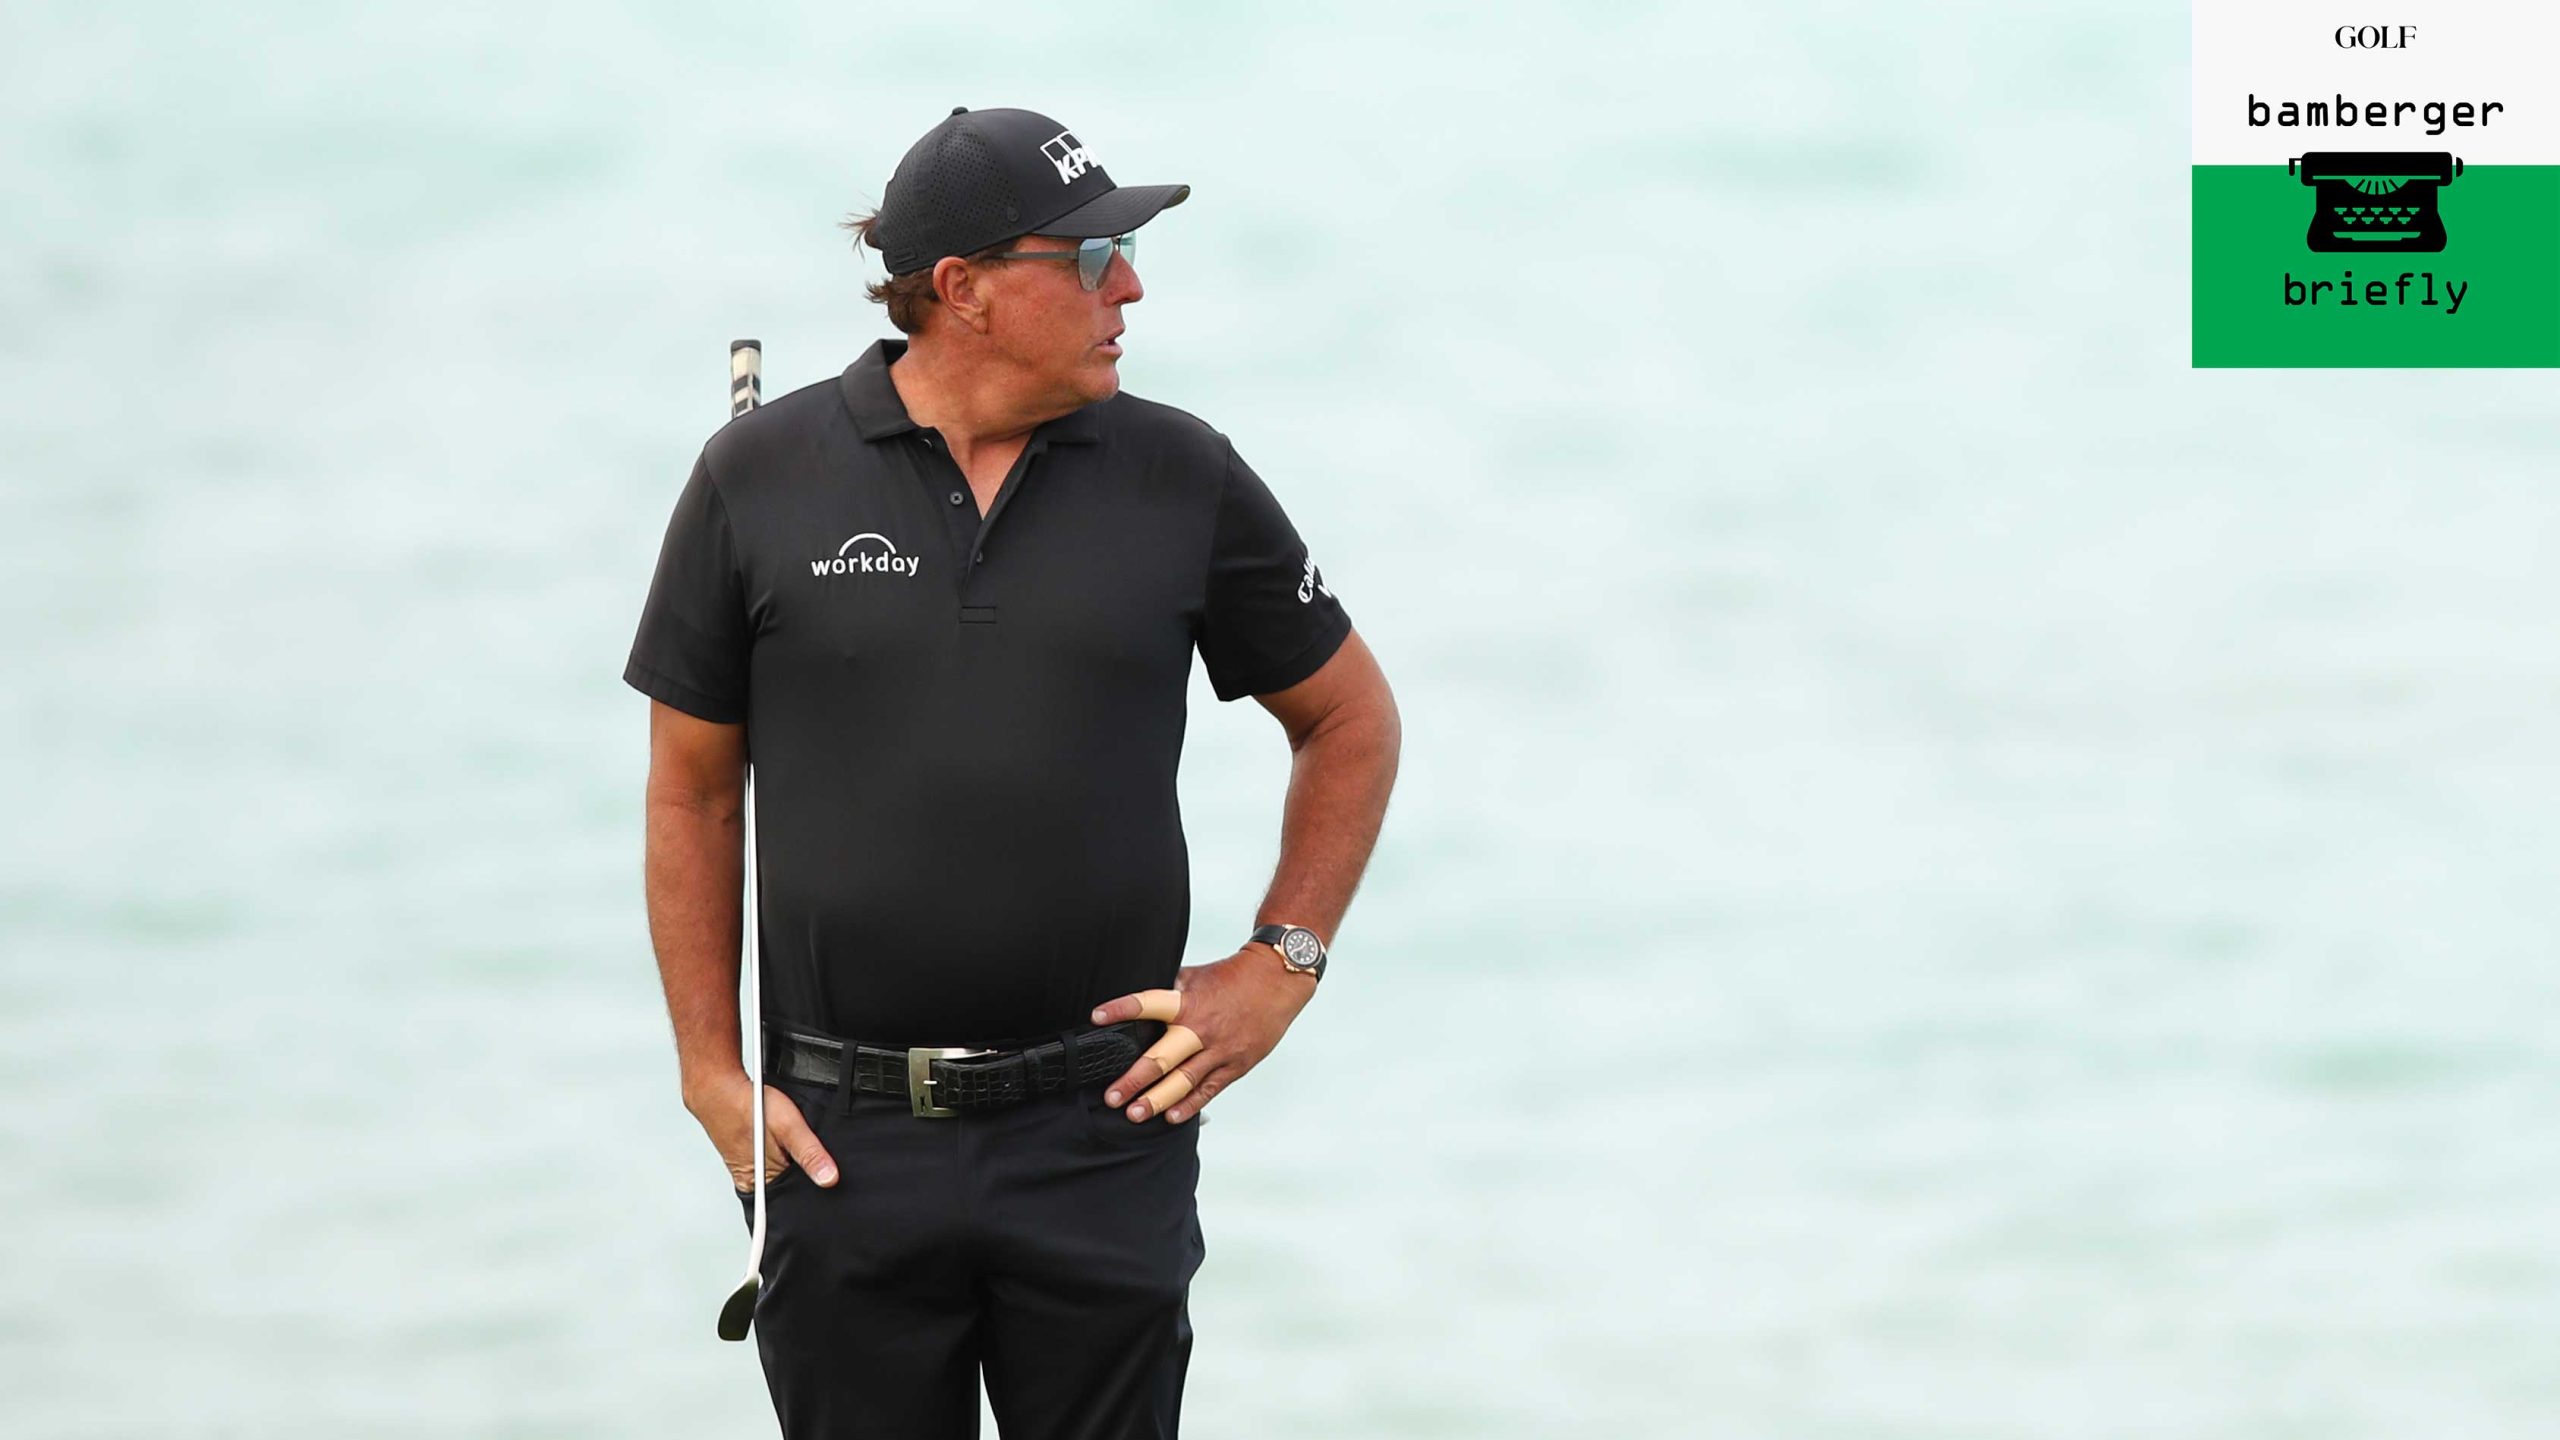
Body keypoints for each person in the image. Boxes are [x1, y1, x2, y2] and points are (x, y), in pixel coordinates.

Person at [625, 105, 1402, 1438]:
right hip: (839, 1147)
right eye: (1094, 258)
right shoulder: (757, 479)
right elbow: (692, 790)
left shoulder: (1182, 475)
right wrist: (708, 1065)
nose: (1133, 287)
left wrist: (1284, 961)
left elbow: (1350, 719)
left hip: (1101, 1130)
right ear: (963, 290)